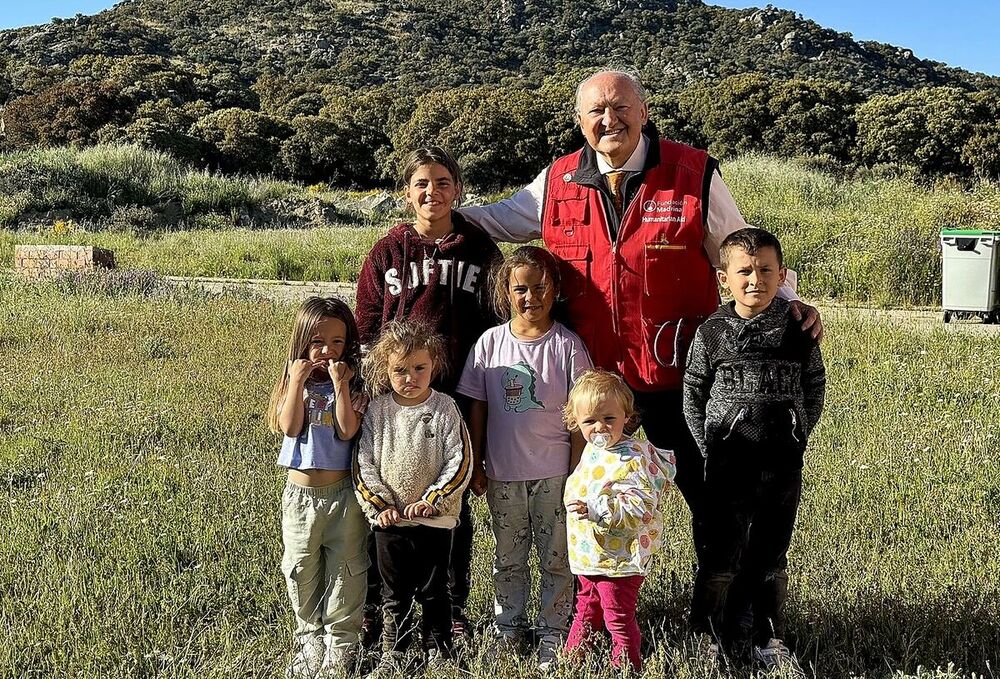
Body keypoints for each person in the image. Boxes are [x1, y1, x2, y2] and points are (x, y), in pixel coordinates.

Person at [460, 67, 822, 626]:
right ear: (579, 123)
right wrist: (438, 217)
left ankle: (731, 616)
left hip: (681, 380)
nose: (610, 120)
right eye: (596, 111)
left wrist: (789, 302)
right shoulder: (556, 182)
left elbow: (739, 247)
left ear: (644, 111)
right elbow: (500, 220)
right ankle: (596, 617)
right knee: (584, 503)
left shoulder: (692, 173)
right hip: (596, 395)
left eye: (621, 107)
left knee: (718, 503)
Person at [354, 147, 501, 643]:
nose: (431, 191)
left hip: (457, 391)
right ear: (406, 192)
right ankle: (378, 605)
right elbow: (367, 325)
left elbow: (500, 319)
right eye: (421, 182)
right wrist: (369, 386)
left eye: (442, 181)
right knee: (384, 505)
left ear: (457, 188)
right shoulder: (387, 252)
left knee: (452, 504)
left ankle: (452, 606)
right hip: (394, 397)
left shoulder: (479, 249)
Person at [682, 228, 826, 673]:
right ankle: (705, 633)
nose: (755, 280)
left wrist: (798, 433)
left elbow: (814, 385)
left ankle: (769, 636)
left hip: (782, 464)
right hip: (726, 464)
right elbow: (693, 392)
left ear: (782, 274)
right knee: (718, 554)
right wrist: (711, 447)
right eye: (744, 271)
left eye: (766, 270)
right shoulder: (712, 332)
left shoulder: (797, 327)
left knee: (770, 553)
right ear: (723, 276)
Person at [455, 245, 592, 671]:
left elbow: (580, 416)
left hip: (554, 475)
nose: (530, 296)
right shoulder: (489, 344)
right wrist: (477, 463)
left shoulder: (568, 346)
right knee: (508, 557)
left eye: (539, 287)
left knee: (556, 556)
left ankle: (553, 630)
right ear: (505, 293)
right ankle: (509, 628)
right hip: (503, 474)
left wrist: (576, 472)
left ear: (554, 290)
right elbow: (477, 407)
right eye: (520, 289)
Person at [352, 321, 473, 678]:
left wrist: (434, 499)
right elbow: (363, 462)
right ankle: (396, 651)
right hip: (390, 523)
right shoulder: (378, 411)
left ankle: (439, 649)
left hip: (435, 520)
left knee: (436, 590)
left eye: (419, 368)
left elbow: (460, 459)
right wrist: (381, 505)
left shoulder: (445, 408)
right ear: (384, 371)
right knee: (394, 594)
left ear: (433, 365)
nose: (410, 377)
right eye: (400, 370)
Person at [266, 296, 370, 679]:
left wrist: (342, 387)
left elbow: (347, 430)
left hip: (344, 495)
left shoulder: (353, 386)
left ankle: (341, 642)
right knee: (301, 567)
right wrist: (295, 381)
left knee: (346, 569)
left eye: (338, 342)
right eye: (317, 341)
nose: (327, 351)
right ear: (301, 344)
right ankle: (309, 638)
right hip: (300, 497)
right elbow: (290, 427)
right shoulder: (294, 383)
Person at [561, 369, 676, 672]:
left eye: (609, 419)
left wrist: (598, 509)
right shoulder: (591, 452)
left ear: (627, 416)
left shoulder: (633, 457)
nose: (600, 427)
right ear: (576, 423)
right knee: (586, 607)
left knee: (617, 616)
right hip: (590, 554)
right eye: (589, 422)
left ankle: (626, 666)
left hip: (620, 559)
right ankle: (572, 662)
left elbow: (640, 505)